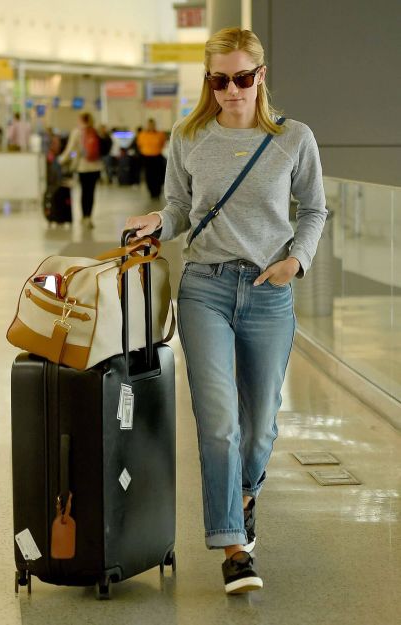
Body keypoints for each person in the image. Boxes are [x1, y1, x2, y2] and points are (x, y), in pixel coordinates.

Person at [125, 27, 326, 595]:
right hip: (205, 288)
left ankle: (241, 495)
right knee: (218, 422)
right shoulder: (189, 136)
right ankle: (234, 548)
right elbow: (180, 207)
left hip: (269, 291)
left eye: (242, 78)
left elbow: (314, 210)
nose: (231, 90)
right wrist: (156, 223)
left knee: (259, 423)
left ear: (261, 76)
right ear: (208, 81)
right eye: (220, 80)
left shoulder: (294, 138)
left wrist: (296, 262)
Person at [58, 112, 102, 228]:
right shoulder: (95, 130)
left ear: (81, 119)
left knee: (84, 192)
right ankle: (89, 216)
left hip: (83, 167)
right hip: (96, 167)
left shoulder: (77, 132)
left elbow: (70, 149)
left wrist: (61, 160)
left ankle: (84, 217)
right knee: (91, 193)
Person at [137, 118, 166, 199]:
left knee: (158, 175)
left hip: (157, 157)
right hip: (146, 158)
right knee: (149, 176)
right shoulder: (142, 134)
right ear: (147, 125)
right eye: (149, 125)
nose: (151, 126)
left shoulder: (160, 134)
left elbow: (162, 144)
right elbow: (139, 145)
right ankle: (151, 192)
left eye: (152, 124)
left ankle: (158, 192)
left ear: (154, 125)